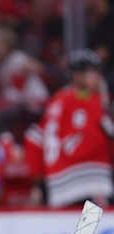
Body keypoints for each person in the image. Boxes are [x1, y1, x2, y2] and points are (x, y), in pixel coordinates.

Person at [24, 49, 114, 207]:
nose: (98, 77)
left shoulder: (58, 100)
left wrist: (37, 184)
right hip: (91, 181)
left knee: (73, 231)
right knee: (92, 230)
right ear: (77, 75)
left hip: (59, 187)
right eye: (93, 72)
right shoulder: (88, 101)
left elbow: (34, 138)